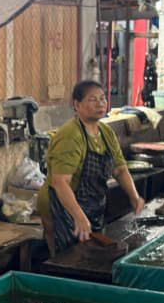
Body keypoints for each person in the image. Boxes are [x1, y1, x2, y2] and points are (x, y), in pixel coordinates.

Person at [36, 80, 144, 254]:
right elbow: (60, 182)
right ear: (77, 105)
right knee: (66, 257)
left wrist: (134, 197)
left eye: (102, 99)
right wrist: (78, 216)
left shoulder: (106, 132)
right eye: (93, 100)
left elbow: (120, 169)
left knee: (90, 253)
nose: (100, 104)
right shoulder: (70, 135)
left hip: (89, 204)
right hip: (60, 204)